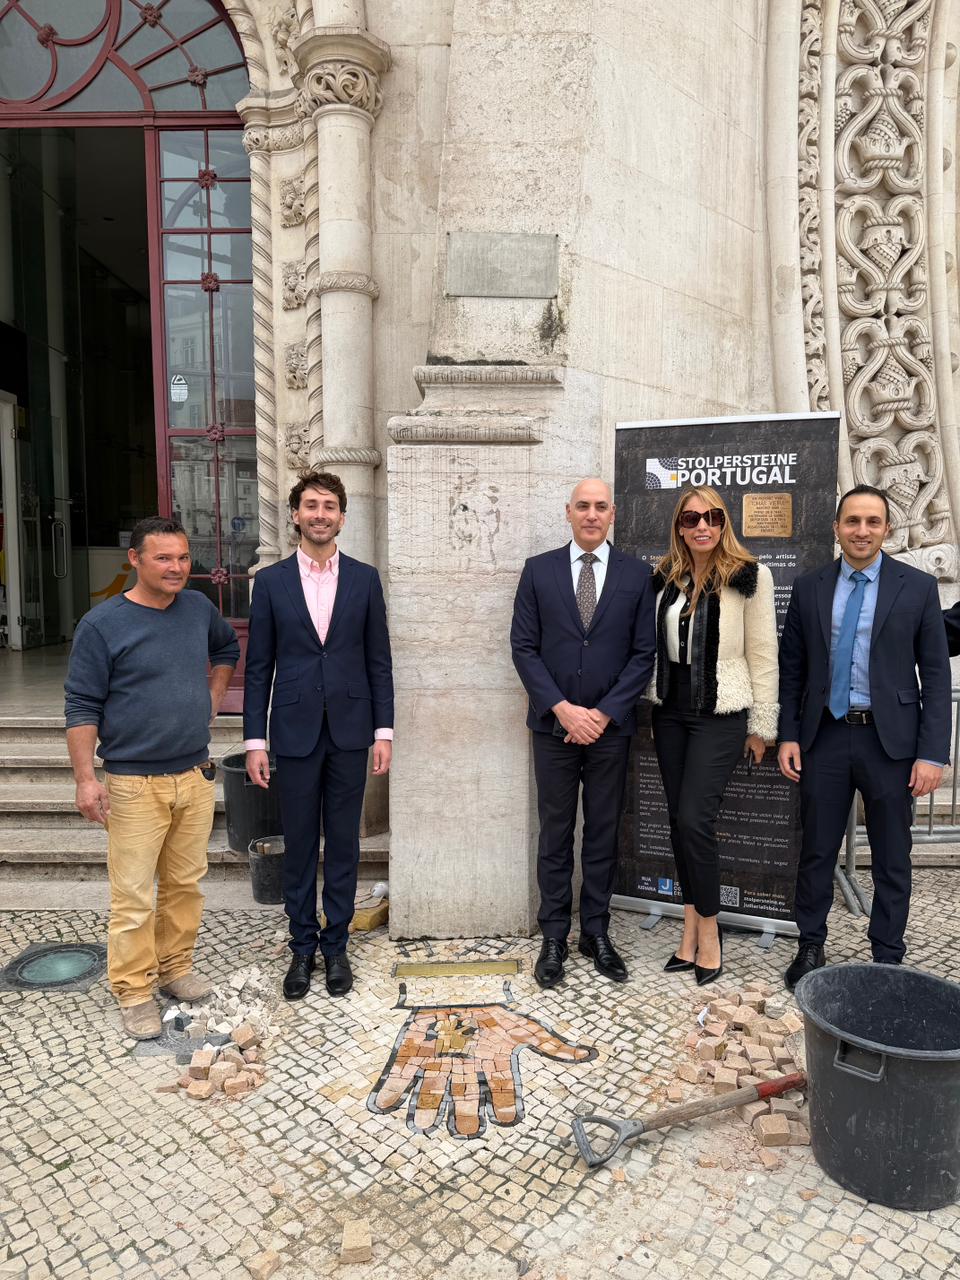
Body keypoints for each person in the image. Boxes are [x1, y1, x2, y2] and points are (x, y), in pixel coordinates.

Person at [65, 517, 240, 1039]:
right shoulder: (102, 625)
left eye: (183, 557)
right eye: (163, 558)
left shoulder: (198, 608)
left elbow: (227, 649)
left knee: (185, 886)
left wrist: (213, 695)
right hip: (133, 783)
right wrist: (85, 779)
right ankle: (134, 991)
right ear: (135, 560)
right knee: (134, 896)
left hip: (194, 774)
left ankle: (175, 968)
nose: (176, 567)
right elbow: (81, 704)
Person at [778, 484, 951, 988]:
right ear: (837, 527)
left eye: (872, 521)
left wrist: (932, 754)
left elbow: (935, 675)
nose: (862, 530)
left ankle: (887, 956)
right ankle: (811, 944)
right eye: (852, 521)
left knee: (892, 854)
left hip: (890, 744)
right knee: (817, 850)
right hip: (825, 738)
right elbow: (793, 669)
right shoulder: (810, 587)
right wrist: (788, 735)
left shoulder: (917, 588)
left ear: (886, 529)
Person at [243, 470, 393, 1001]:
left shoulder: (365, 579)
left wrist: (383, 730)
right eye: (311, 505)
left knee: (345, 842)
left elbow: (379, 661)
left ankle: (337, 945)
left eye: (329, 506)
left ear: (342, 518)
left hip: (351, 731)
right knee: (301, 841)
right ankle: (302, 945)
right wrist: (255, 742)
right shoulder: (272, 582)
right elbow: (258, 668)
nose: (320, 514)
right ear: (296, 515)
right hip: (293, 731)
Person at [510, 477, 655, 989]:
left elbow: (644, 654)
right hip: (553, 729)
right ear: (568, 512)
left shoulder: (638, 575)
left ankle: (596, 931)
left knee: (603, 832)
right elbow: (523, 648)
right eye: (583, 506)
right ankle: (554, 935)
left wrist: (603, 714)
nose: (592, 515)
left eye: (600, 507)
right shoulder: (539, 570)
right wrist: (563, 710)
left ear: (612, 514)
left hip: (610, 731)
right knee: (555, 834)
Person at [646, 486, 779, 986]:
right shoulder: (665, 577)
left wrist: (762, 725)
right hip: (670, 710)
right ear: (679, 528)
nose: (702, 525)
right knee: (677, 823)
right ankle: (688, 930)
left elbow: (763, 653)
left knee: (694, 819)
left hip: (721, 712)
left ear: (724, 523)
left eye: (712, 516)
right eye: (691, 518)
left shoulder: (749, 575)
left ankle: (710, 931)